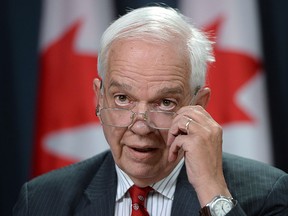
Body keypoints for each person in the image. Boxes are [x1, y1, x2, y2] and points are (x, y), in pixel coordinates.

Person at [13, 6, 288, 216]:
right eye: (123, 98)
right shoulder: (41, 200)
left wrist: (213, 193)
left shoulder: (267, 193)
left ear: (199, 107)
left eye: (165, 103)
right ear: (99, 98)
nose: (141, 127)